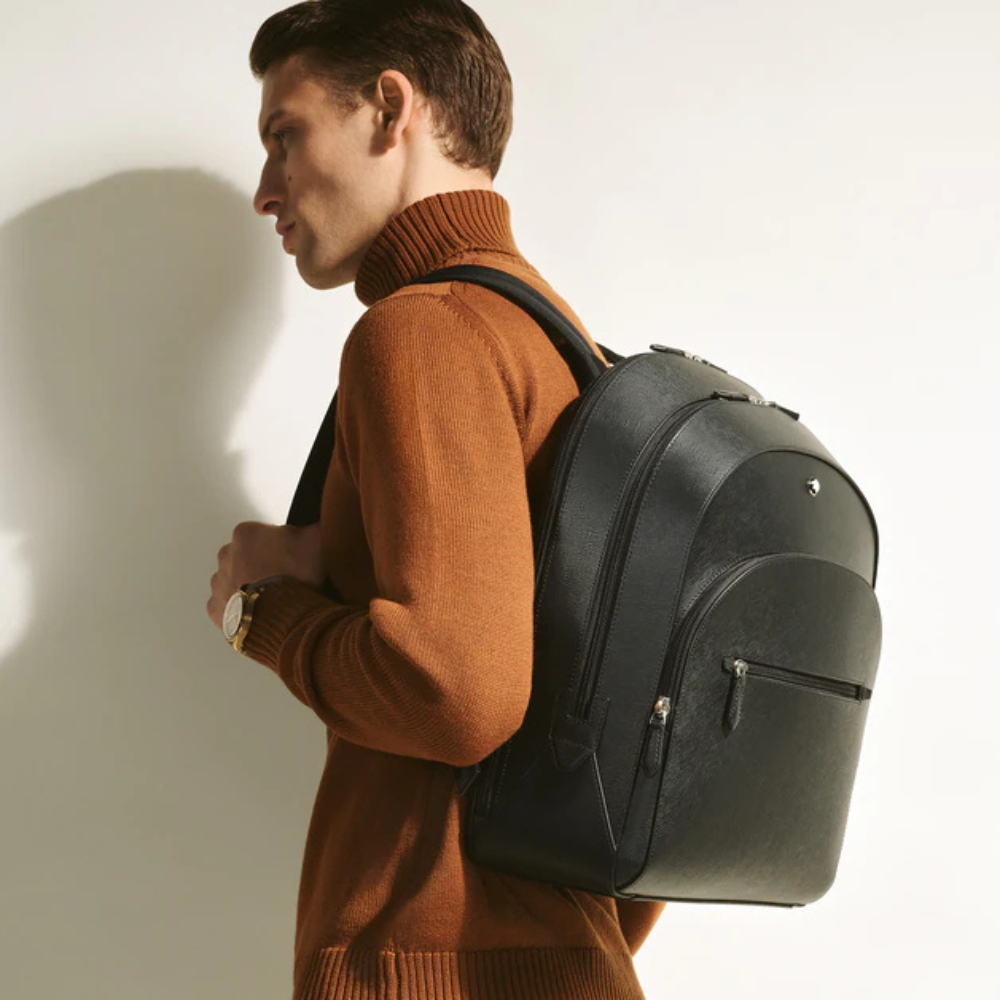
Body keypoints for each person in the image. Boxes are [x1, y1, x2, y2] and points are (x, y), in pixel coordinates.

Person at [206, 2, 666, 997]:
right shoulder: (557, 339)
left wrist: (263, 613)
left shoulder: (424, 330)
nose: (266, 189)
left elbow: (457, 693)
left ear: (389, 108)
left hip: (428, 968)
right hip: (560, 958)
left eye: (286, 135)